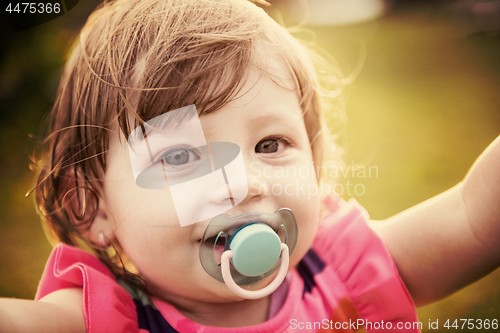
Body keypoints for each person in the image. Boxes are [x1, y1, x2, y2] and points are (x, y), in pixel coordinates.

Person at [1, 0, 499, 332]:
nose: (241, 185)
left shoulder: (344, 275)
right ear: (92, 207)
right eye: (180, 156)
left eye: (270, 144)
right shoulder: (102, 320)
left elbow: (475, 220)